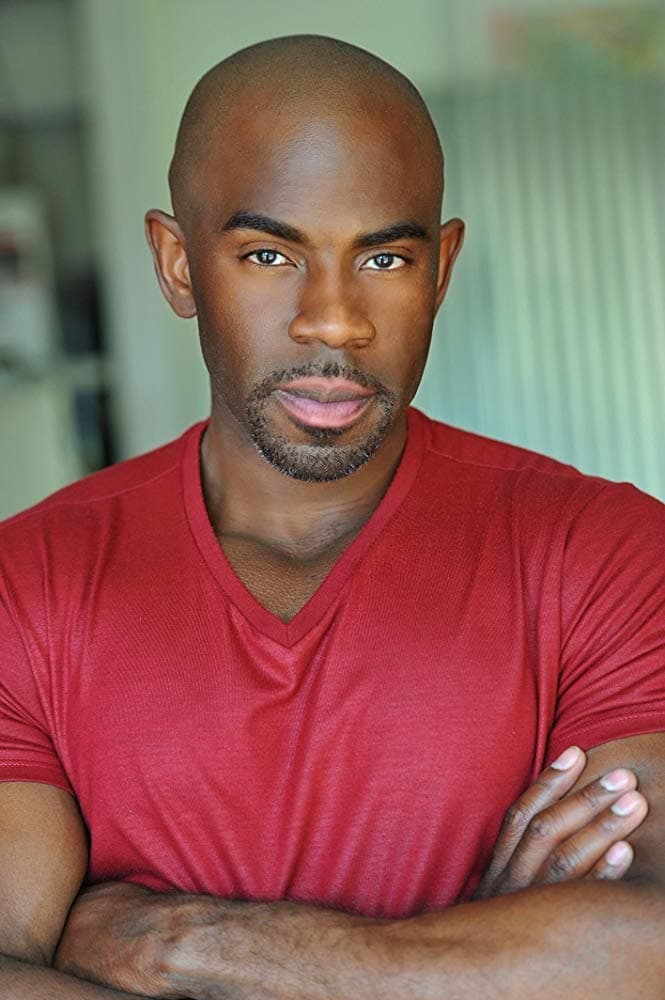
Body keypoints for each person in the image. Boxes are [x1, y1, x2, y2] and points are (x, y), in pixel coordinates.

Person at [0, 34, 664, 998]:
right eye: (269, 254)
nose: (334, 321)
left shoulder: (606, 555)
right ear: (178, 264)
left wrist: (181, 946)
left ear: (440, 268)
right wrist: (474, 960)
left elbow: (647, 946)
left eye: (384, 257)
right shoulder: (26, 585)